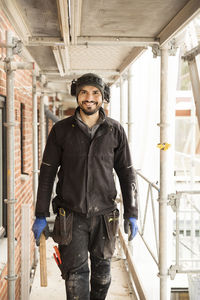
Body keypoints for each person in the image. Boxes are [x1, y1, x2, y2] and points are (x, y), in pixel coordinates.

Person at [32, 73, 138, 300]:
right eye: (84, 92)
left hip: (105, 217)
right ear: (76, 95)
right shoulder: (61, 130)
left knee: (103, 277)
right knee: (75, 279)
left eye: (95, 93)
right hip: (70, 216)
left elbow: (127, 173)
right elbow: (47, 174)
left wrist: (132, 212)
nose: (89, 98)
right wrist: (40, 214)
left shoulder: (114, 131)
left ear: (103, 97)